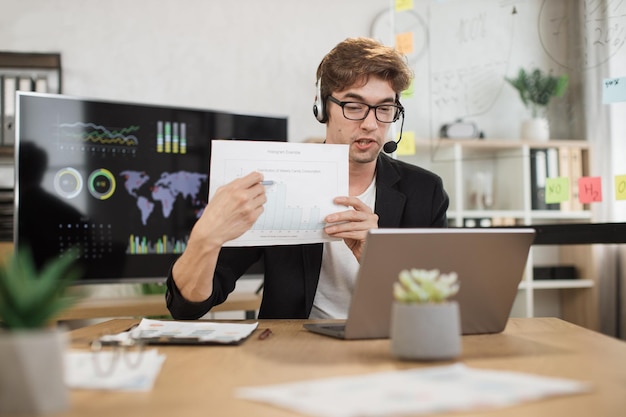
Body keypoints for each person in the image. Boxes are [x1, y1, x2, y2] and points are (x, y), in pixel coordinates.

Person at [166, 37, 449, 319]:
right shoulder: (275, 180)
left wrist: (377, 259)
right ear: (322, 108)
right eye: (354, 106)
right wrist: (205, 239)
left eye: (385, 109)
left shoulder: (425, 192)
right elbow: (188, 307)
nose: (371, 124)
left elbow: (440, 307)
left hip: (385, 351)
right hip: (294, 354)